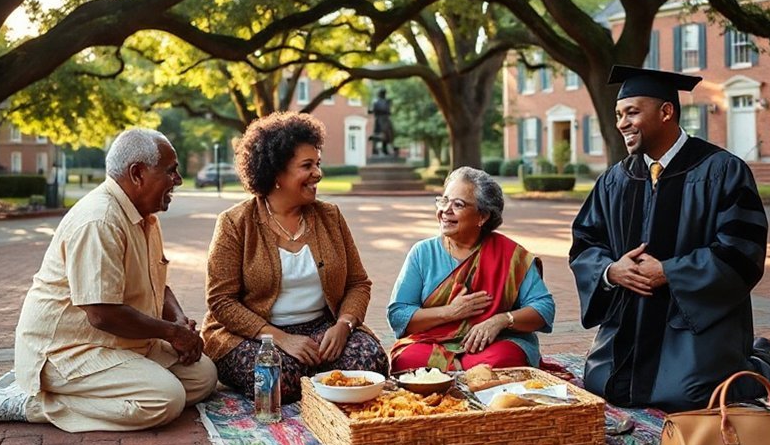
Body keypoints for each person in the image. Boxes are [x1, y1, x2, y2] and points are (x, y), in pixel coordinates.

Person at [569, 65, 770, 412]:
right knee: (604, 383)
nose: (621, 123)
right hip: (631, 319)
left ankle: (765, 366)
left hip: (693, 320)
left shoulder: (721, 170)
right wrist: (611, 271)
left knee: (690, 394)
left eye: (632, 112)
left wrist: (670, 271)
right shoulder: (615, 180)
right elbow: (586, 241)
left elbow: (742, 250)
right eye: (619, 114)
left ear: (666, 111)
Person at [0, 128, 217, 431]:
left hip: (121, 343)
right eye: (170, 171)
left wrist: (176, 320)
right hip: (68, 352)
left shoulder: (145, 216)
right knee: (164, 400)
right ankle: (29, 401)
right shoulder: (100, 220)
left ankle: (77, 394)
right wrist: (171, 334)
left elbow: (156, 283)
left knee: (203, 377)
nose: (178, 180)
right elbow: (101, 313)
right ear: (137, 173)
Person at [201, 111, 388, 402]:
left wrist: (343, 326)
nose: (318, 173)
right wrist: (281, 339)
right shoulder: (235, 223)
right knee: (275, 377)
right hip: (253, 335)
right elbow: (221, 301)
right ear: (276, 173)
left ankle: (320, 378)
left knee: (370, 361)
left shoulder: (330, 217)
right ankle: (321, 383)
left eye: (318, 163)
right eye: (307, 165)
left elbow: (358, 283)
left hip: (321, 328)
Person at [388, 167, 556, 371]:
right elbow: (399, 314)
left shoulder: (511, 255)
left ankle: (453, 372)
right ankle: (465, 371)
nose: (445, 211)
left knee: (505, 357)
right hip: (433, 343)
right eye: (443, 201)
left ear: (482, 217)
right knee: (407, 359)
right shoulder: (423, 252)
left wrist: (502, 320)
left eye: (457, 204)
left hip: (491, 345)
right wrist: (448, 313)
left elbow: (544, 308)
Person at [368, 88, 394, 156]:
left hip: (383, 120)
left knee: (387, 136)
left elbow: (373, 110)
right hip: (381, 120)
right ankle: (377, 150)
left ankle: (384, 150)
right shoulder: (379, 102)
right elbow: (373, 110)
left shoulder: (384, 102)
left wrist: (371, 110)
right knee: (382, 135)